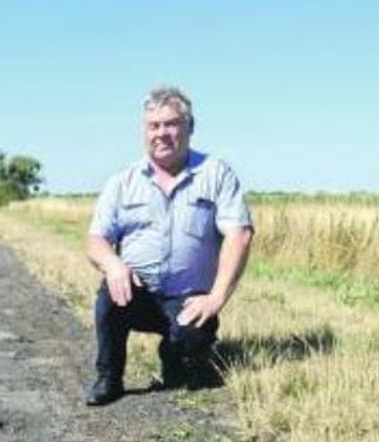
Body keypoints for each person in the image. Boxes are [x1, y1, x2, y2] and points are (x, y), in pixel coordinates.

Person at [84, 86, 254, 405]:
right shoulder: (122, 182)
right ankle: (109, 376)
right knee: (109, 296)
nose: (162, 133)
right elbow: (95, 240)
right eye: (154, 125)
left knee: (191, 345)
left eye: (172, 124)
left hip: (188, 299)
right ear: (144, 131)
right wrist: (113, 265)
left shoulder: (215, 174)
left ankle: (175, 356)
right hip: (137, 294)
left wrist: (216, 298)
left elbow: (239, 234)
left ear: (190, 127)